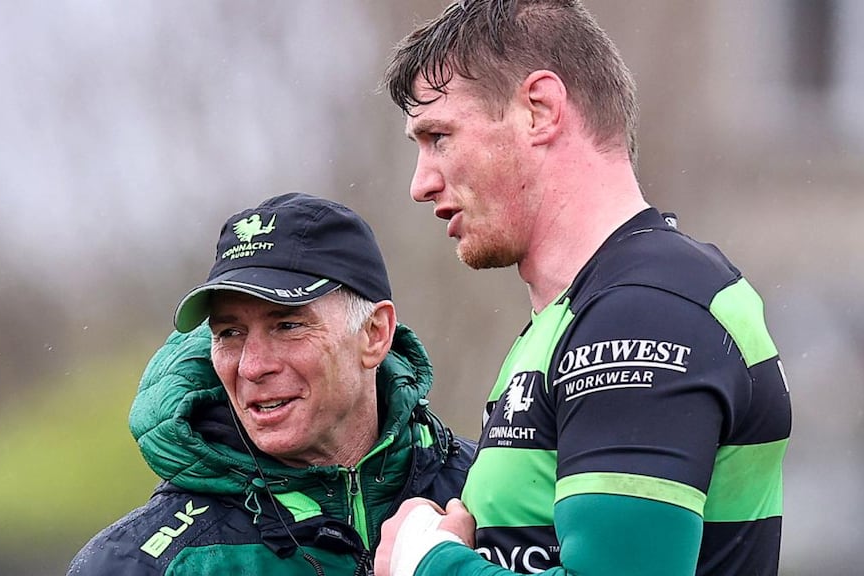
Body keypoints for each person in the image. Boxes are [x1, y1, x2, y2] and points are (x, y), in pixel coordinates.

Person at [375, 1, 793, 575]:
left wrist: (429, 564)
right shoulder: (577, 315)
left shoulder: (645, 311)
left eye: (440, 136)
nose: (421, 183)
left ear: (540, 110)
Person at [68, 192, 476, 576]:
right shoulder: (137, 562)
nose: (252, 366)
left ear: (374, 334)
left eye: (287, 325)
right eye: (229, 332)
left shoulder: (492, 488)